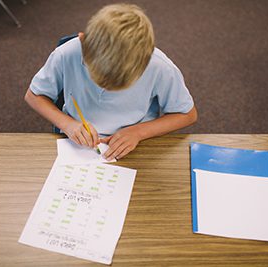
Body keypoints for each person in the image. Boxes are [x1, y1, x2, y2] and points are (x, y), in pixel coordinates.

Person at [25, 3, 197, 161]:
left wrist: (138, 132)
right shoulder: (66, 54)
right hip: (73, 140)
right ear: (83, 41)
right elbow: (33, 95)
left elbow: (187, 114)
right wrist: (67, 123)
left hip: (137, 142)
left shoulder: (160, 67)